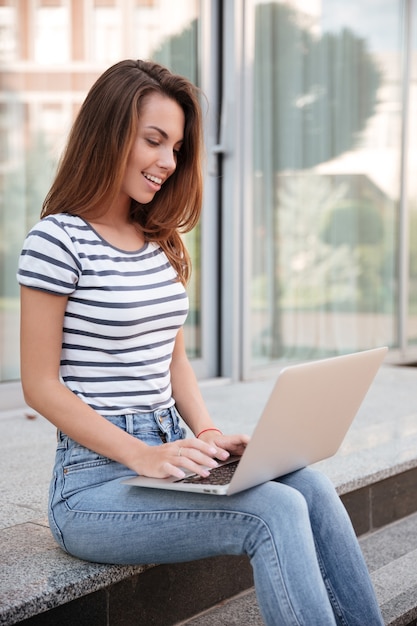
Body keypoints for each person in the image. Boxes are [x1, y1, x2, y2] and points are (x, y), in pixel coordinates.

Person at [17, 59, 383, 626]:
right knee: (273, 511)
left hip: (167, 454)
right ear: (109, 133)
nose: (168, 162)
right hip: (91, 484)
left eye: (177, 148)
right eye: (154, 141)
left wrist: (207, 434)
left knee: (306, 482)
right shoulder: (57, 239)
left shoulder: (158, 241)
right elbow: (39, 386)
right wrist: (142, 453)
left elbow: (175, 360)